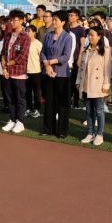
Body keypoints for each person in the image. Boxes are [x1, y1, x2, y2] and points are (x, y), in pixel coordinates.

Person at [76, 26, 112, 146]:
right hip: (86, 83)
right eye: (89, 35)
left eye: (92, 35)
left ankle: (100, 134)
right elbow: (81, 67)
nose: (90, 37)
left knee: (99, 111)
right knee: (88, 111)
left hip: (98, 85)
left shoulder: (105, 50)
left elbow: (107, 69)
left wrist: (106, 84)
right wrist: (78, 81)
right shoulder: (86, 50)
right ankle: (90, 133)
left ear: (99, 36)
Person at [40, 10, 73, 139]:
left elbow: (66, 56)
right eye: (53, 19)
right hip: (48, 73)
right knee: (49, 102)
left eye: (56, 20)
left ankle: (62, 130)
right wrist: (46, 65)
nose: (53, 22)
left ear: (63, 22)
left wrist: (50, 62)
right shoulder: (48, 35)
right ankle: (48, 129)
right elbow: (43, 52)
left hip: (62, 74)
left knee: (62, 103)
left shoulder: (67, 37)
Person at [0, 9, 31, 134]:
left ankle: (20, 121)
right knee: (10, 97)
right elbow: (3, 51)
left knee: (20, 98)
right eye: (11, 20)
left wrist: (7, 64)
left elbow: (22, 56)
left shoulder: (25, 37)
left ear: (22, 21)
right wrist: (3, 66)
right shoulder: (8, 35)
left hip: (19, 72)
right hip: (7, 72)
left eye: (14, 20)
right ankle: (12, 119)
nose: (12, 22)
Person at [25, 25, 43, 119]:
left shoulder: (38, 44)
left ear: (34, 32)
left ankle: (37, 109)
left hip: (36, 71)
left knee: (36, 92)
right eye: (26, 31)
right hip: (25, 71)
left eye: (29, 31)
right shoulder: (24, 42)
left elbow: (42, 57)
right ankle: (28, 108)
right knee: (27, 91)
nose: (27, 32)